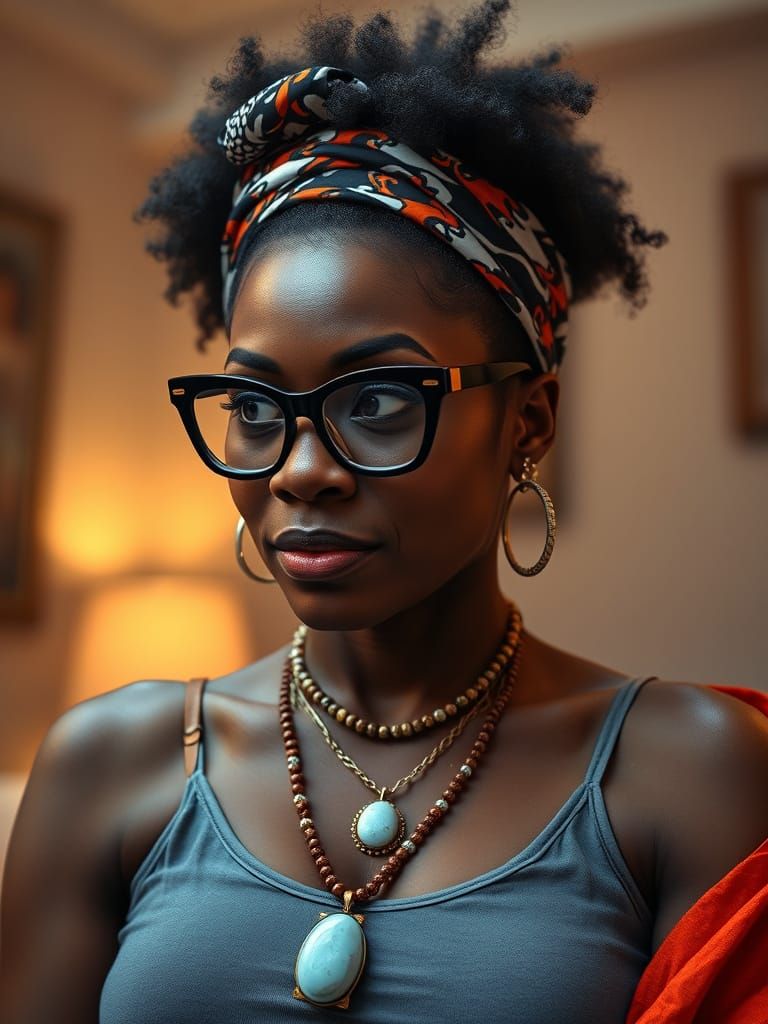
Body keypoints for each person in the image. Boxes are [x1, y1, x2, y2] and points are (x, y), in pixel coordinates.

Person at [1, 3, 766, 1021]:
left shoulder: (687, 769)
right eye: (256, 408)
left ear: (528, 423)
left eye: (377, 402)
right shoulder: (106, 763)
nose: (300, 471)